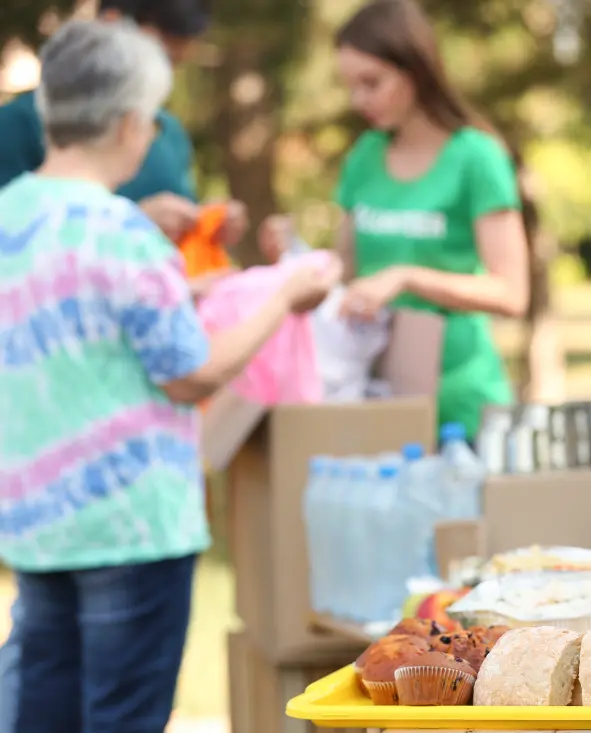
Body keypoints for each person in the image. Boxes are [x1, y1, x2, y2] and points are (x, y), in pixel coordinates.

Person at [0, 20, 339, 732]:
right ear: (129, 122)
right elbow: (194, 372)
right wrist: (284, 294)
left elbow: (72, 317)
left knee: (42, 710)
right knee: (123, 716)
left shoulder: (10, 215)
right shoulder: (125, 235)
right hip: (133, 526)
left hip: (36, 518)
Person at [324, 0, 530, 438]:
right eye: (350, 85)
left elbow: (512, 293)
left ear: (415, 71)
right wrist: (293, 259)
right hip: (379, 400)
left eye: (371, 83)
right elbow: (346, 269)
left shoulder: (476, 158)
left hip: (462, 408)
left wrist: (407, 277)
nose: (358, 100)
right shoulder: (363, 158)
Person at [0, 0, 250, 284]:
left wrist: (206, 224)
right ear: (112, 22)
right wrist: (131, 228)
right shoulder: (17, 125)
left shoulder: (169, 132)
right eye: (161, 57)